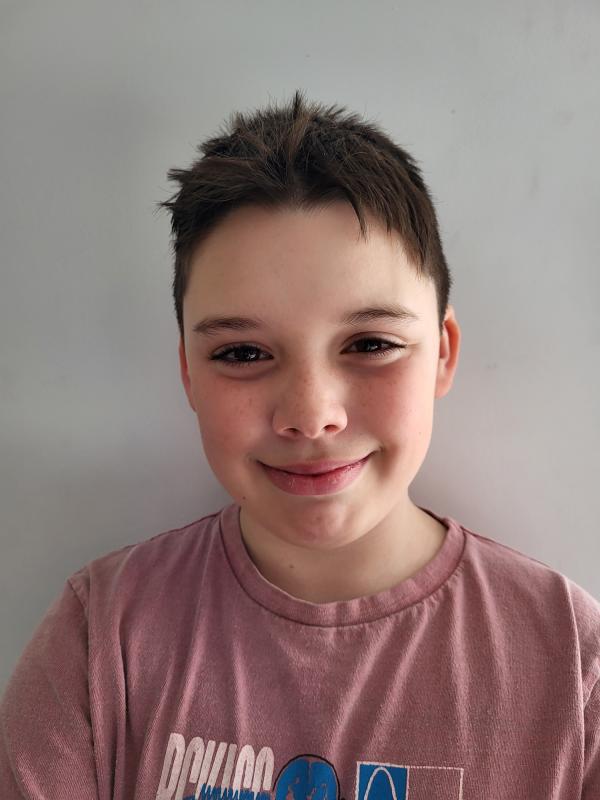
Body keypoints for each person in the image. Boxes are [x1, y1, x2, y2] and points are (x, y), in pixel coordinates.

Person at [1, 90, 598, 799]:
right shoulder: (101, 640)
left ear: (442, 352)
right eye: (243, 353)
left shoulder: (573, 667)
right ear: (188, 373)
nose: (311, 417)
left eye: (371, 344)